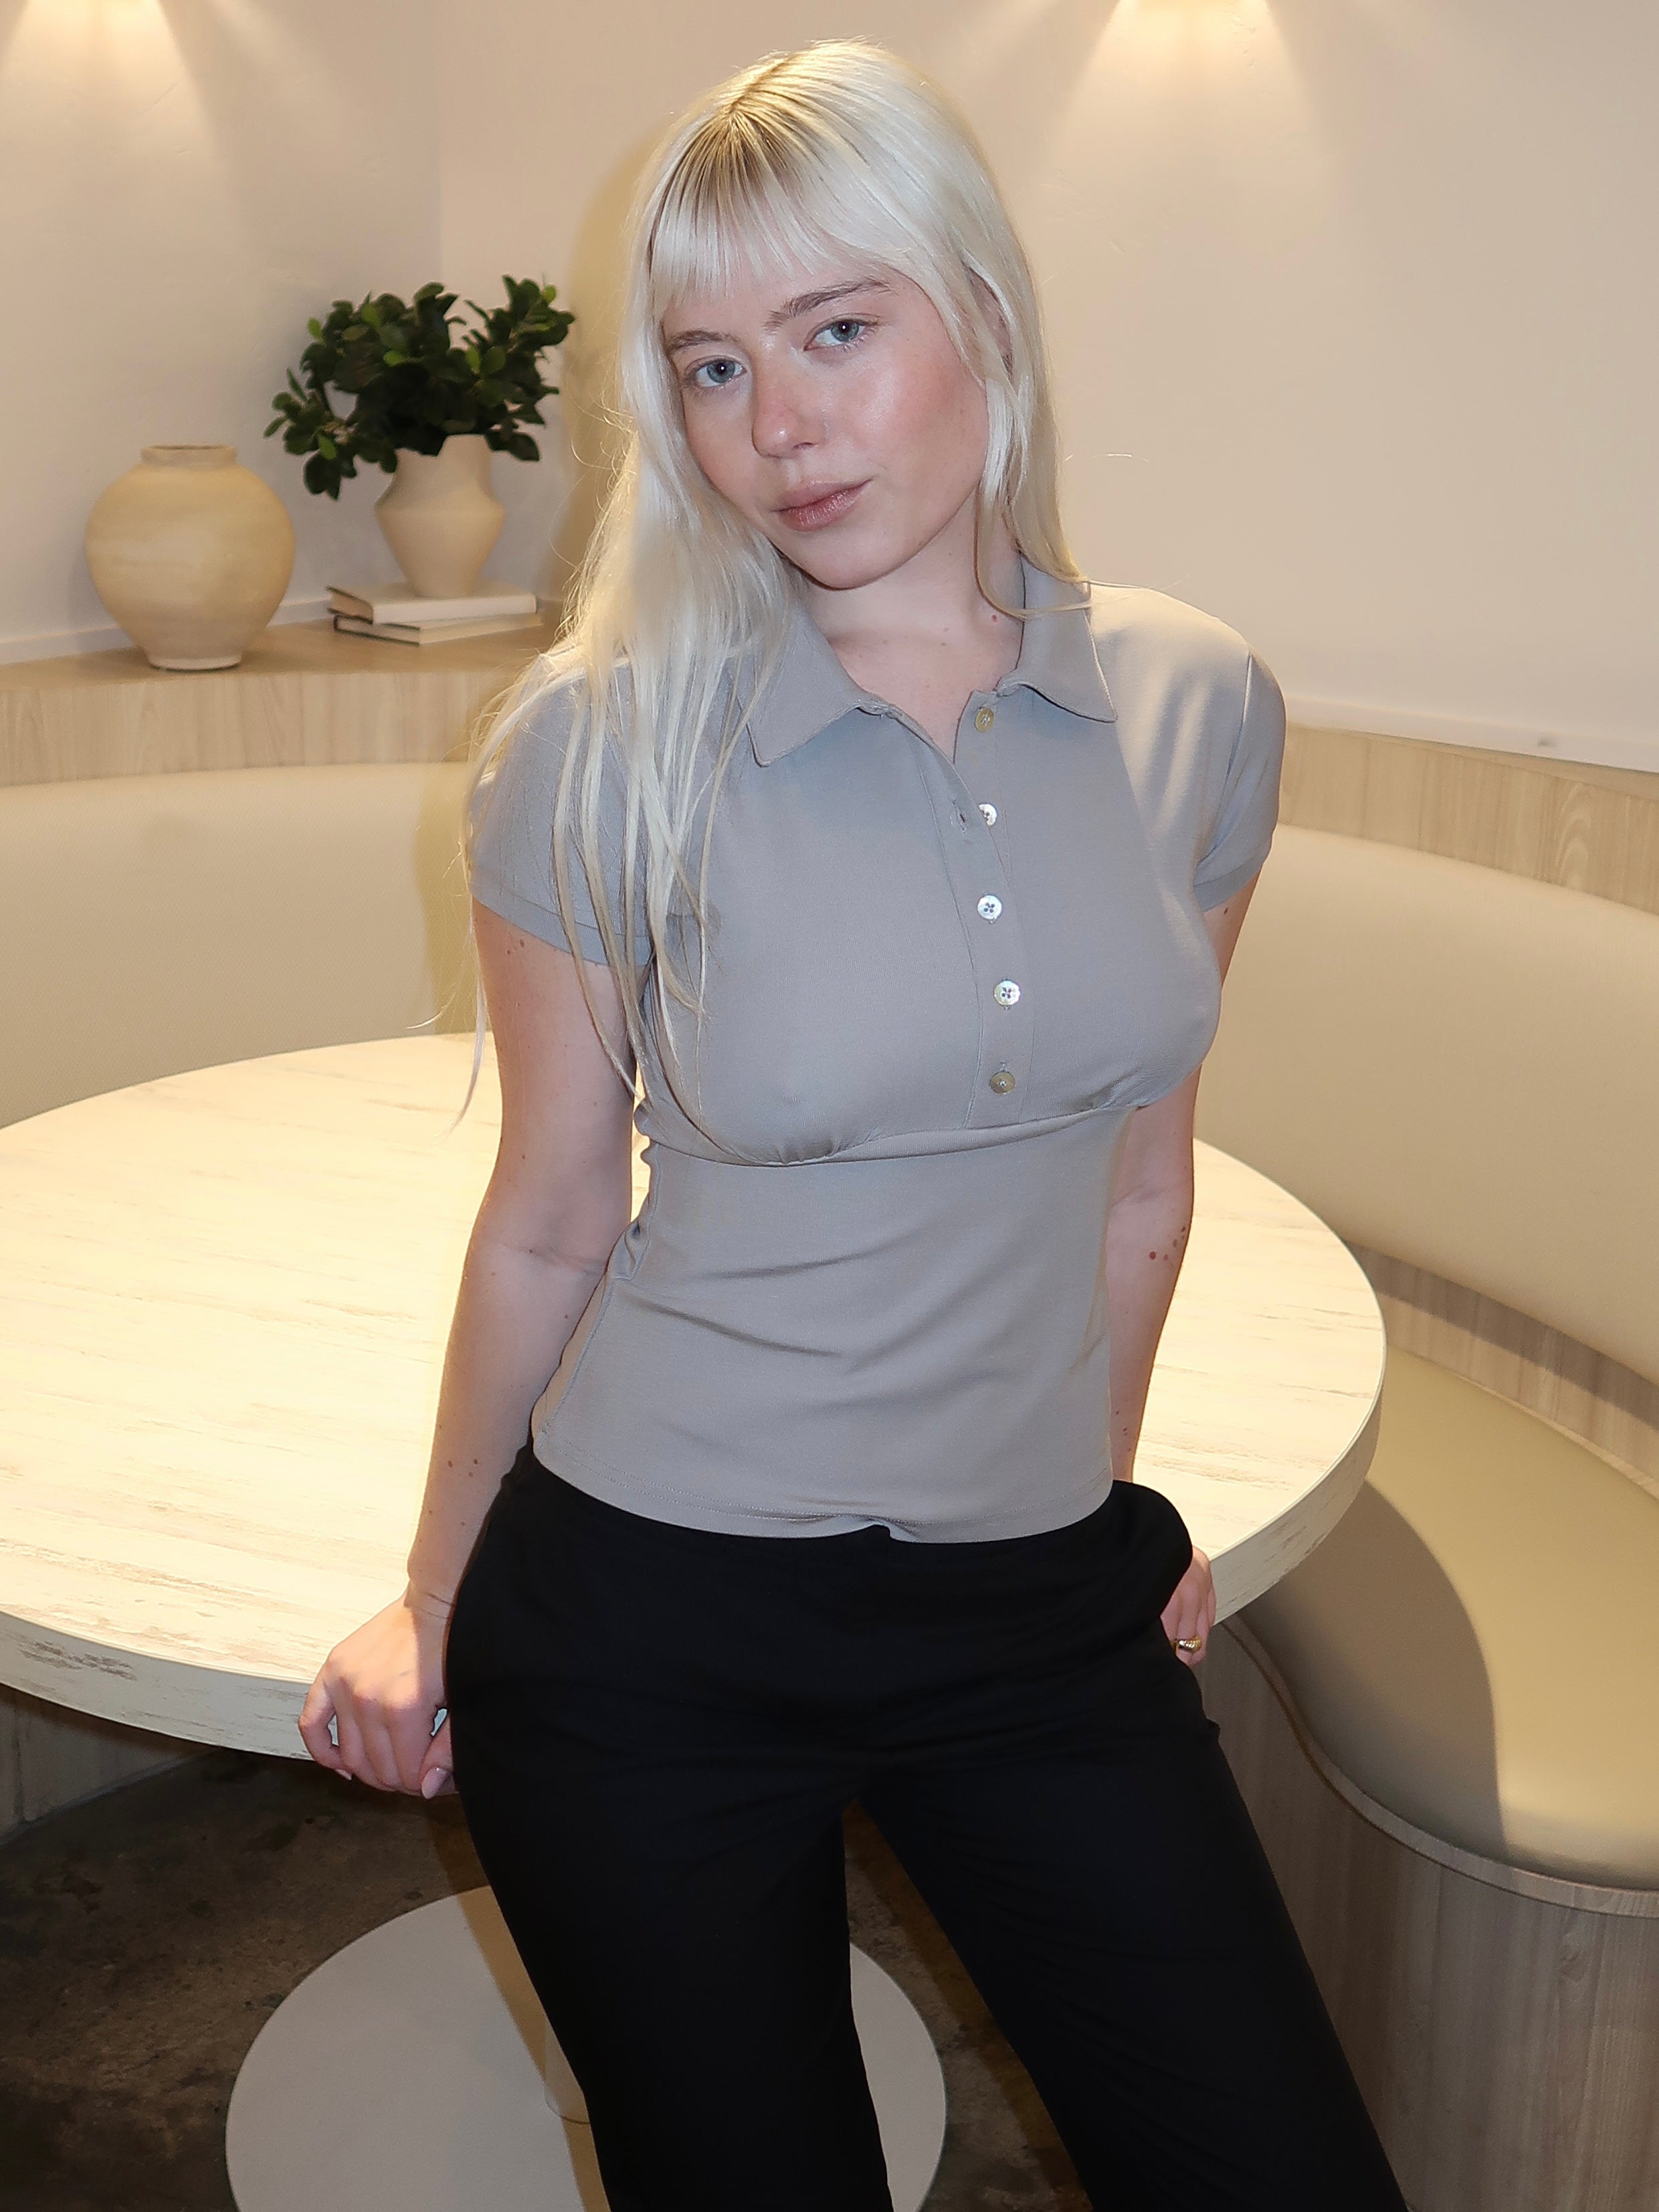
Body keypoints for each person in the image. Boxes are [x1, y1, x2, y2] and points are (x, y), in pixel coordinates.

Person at [299, 39, 1408, 2212]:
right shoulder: (598, 741)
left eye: (834, 332)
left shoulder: (1192, 705)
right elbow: (549, 1221)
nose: (775, 427)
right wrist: (435, 1599)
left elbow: (1141, 1183)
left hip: (1033, 1608)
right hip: (650, 1622)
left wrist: (1085, 1500)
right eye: (711, 368)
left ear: (984, 311)